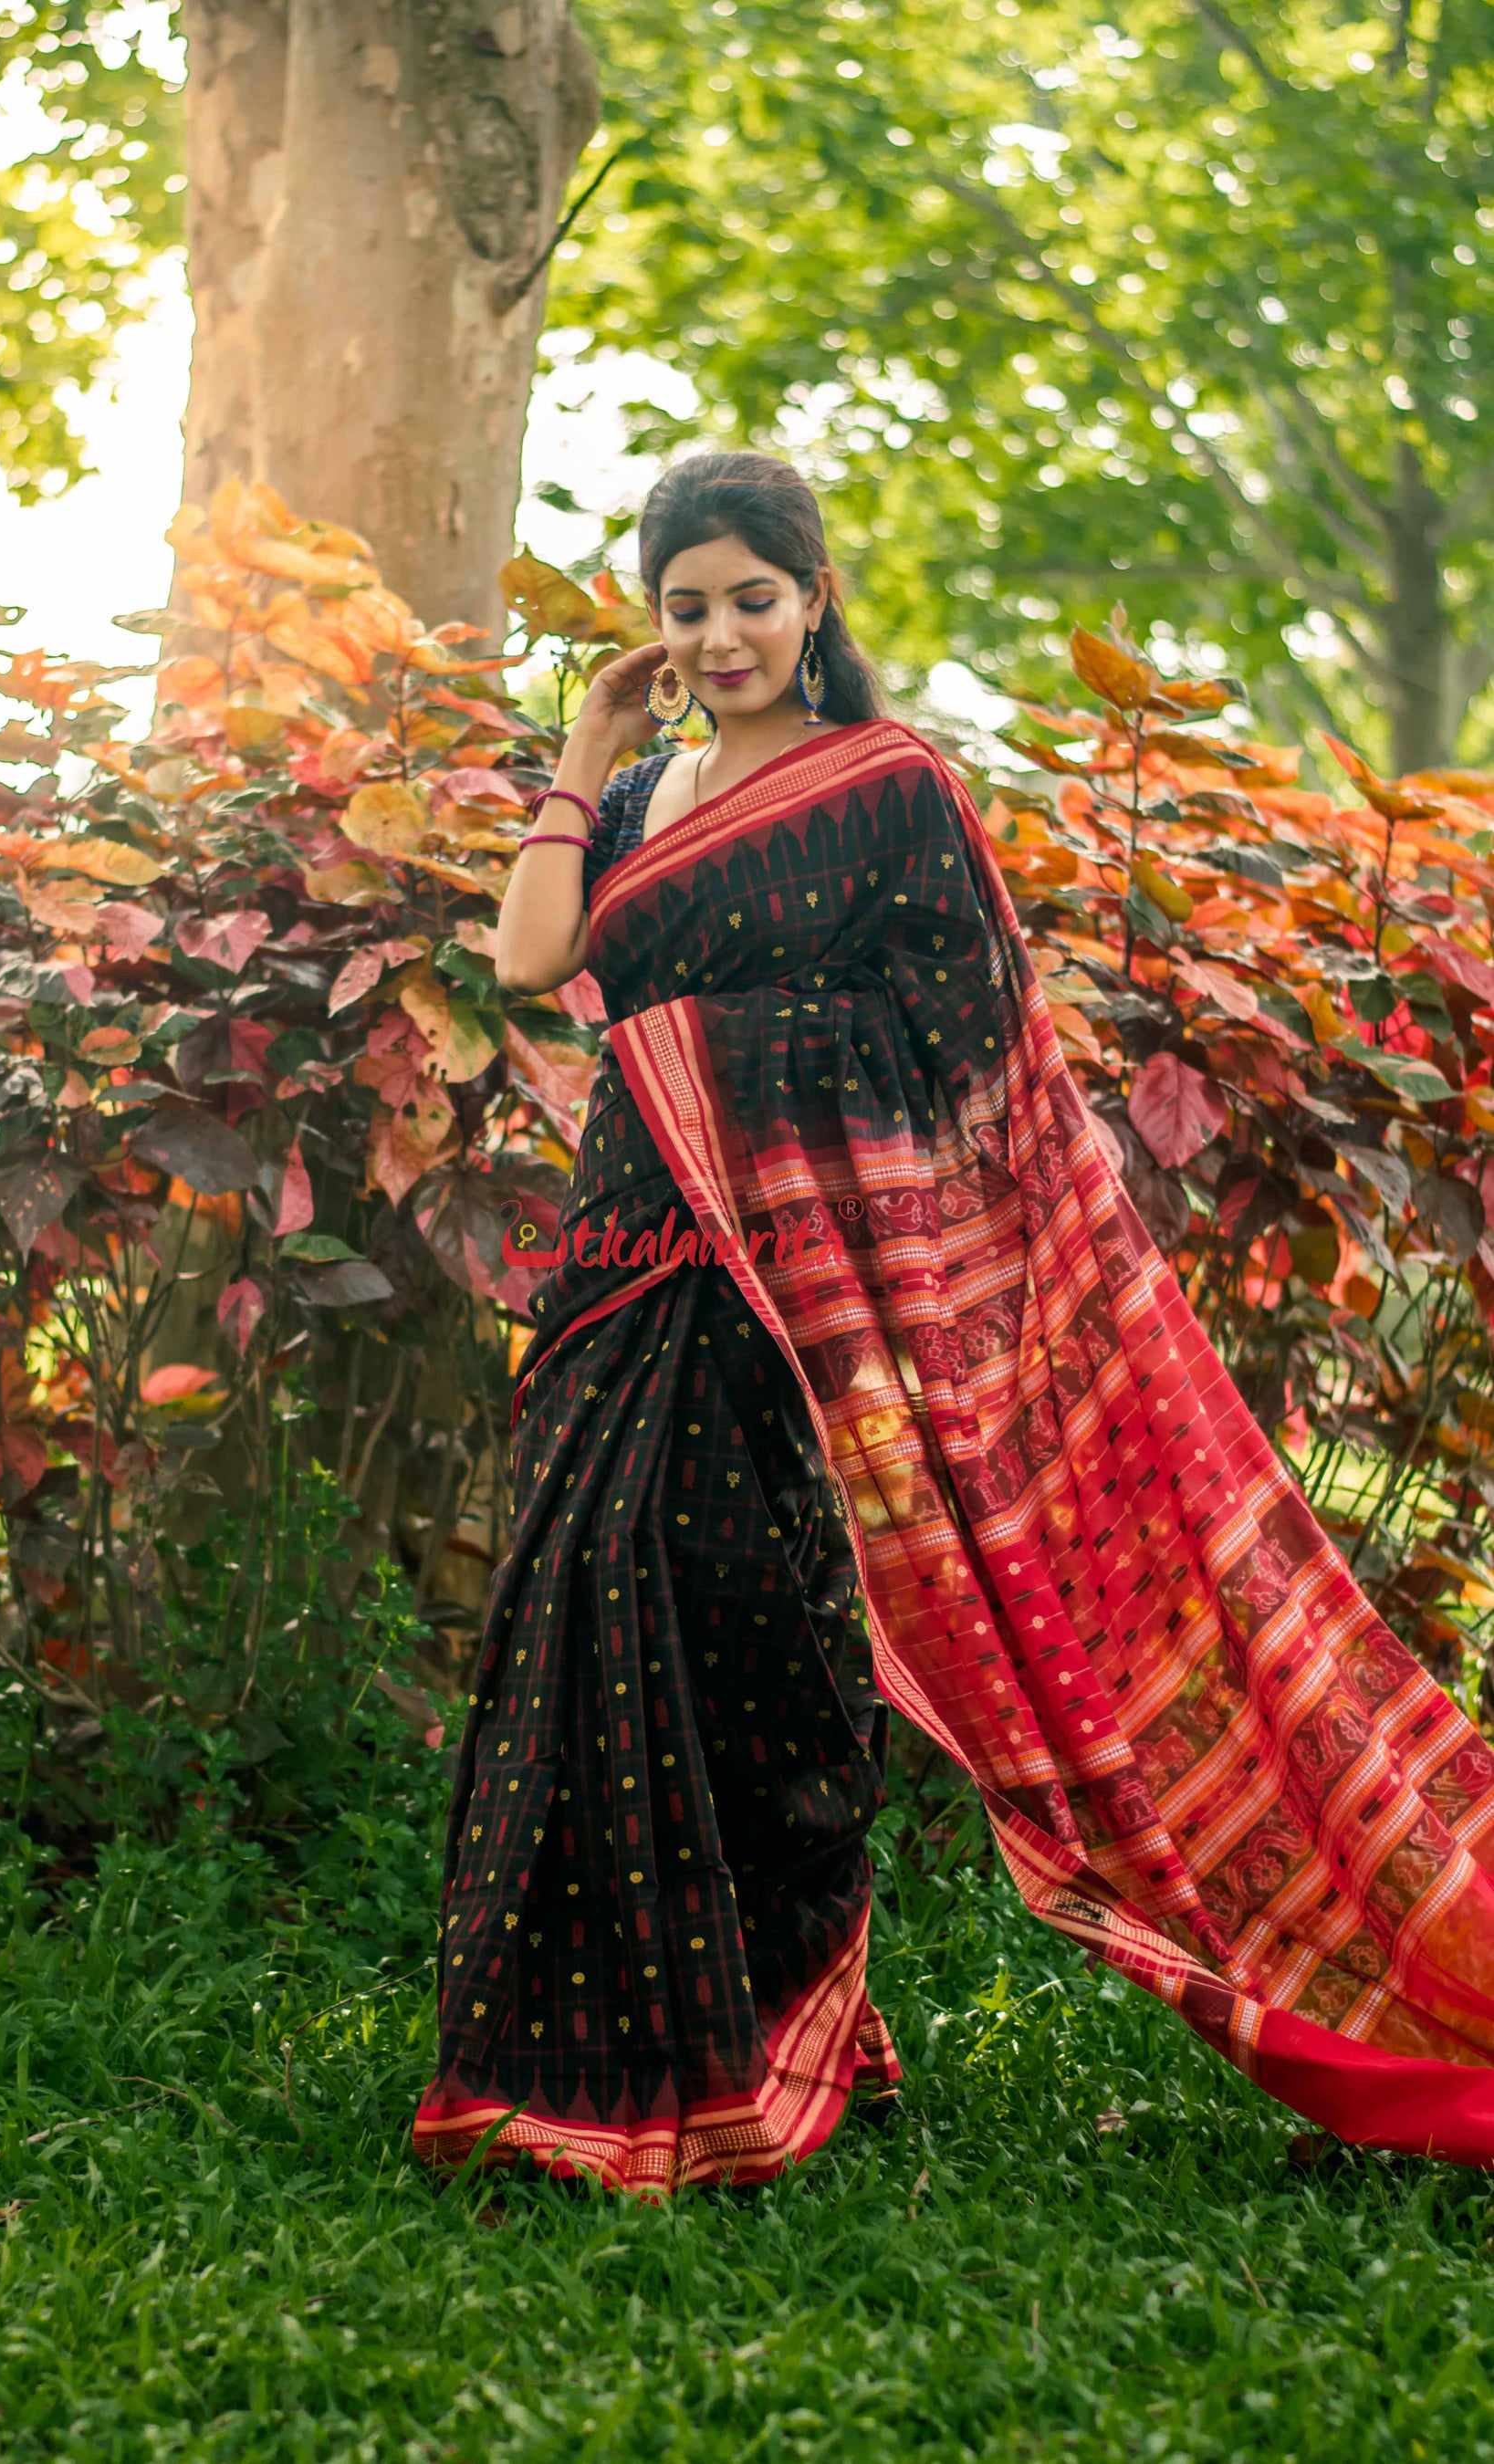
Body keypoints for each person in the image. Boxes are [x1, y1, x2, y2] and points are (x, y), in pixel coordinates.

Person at [413, 450, 1494, 2196]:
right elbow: (537, 966)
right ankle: (575, 2073)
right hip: (623, 1258)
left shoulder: (890, 784)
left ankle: (765, 2059)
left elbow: (959, 1047)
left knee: (740, 1641)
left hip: (785, 1290)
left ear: (814, 597)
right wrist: (581, 759)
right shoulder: (646, 786)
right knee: (578, 1630)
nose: (719, 634)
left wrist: (712, 1057)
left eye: (751, 597)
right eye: (685, 606)